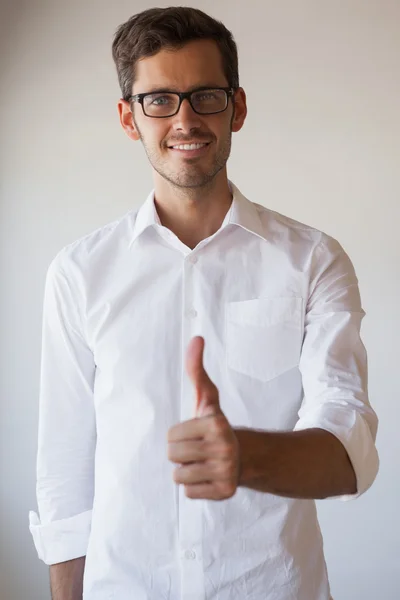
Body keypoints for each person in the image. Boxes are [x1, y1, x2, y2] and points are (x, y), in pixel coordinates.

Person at [29, 6, 379, 600]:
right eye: (159, 99)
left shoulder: (314, 260)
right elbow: (65, 472)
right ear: (128, 116)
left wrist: (246, 455)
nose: (185, 118)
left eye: (206, 96)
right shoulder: (79, 272)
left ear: (237, 107)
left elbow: (350, 447)